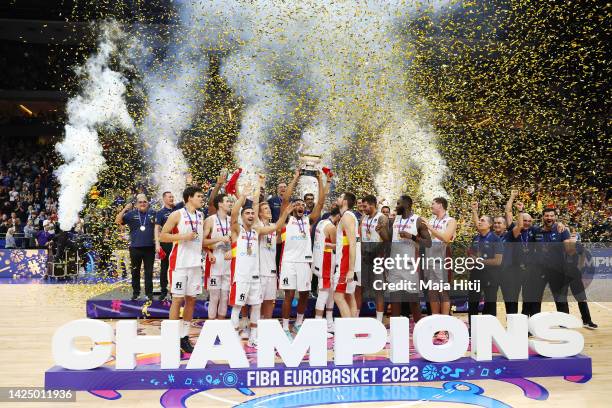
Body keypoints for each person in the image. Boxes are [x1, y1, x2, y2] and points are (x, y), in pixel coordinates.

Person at [229, 176, 291, 347]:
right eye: (247, 213)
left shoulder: (257, 232)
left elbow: (276, 227)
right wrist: (243, 197)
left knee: (256, 306)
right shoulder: (237, 230)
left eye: (251, 213)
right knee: (237, 306)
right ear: (242, 217)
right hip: (241, 277)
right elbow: (234, 214)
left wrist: (285, 213)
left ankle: (254, 337)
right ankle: (234, 337)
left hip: (255, 277)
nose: (250, 215)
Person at [279, 169, 328, 338]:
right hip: (289, 262)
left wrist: (320, 179)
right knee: (289, 294)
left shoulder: (308, 220)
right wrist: (296, 176)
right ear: (292, 208)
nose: (300, 206)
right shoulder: (287, 219)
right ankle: (285, 327)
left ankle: (298, 323)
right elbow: (286, 198)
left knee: (305, 294)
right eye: (297, 204)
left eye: (302, 204)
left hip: (305, 263)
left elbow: (321, 203)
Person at [159, 186, 205, 354]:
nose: (202, 199)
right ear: (189, 198)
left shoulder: (200, 215)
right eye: (199, 196)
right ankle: (172, 339)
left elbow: (200, 240)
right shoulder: (177, 214)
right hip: (179, 263)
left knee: (191, 300)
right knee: (177, 300)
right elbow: (162, 235)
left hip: (195, 264)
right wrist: (183, 237)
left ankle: (184, 337)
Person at [387, 195, 431, 321]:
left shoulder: (418, 220)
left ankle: (419, 329)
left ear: (407, 205)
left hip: (409, 265)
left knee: (413, 300)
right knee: (394, 298)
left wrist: (411, 236)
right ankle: (394, 330)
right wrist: (381, 231)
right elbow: (389, 239)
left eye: (398, 203)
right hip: (394, 264)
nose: (396, 206)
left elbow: (428, 243)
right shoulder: (396, 219)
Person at [425, 197, 456, 341]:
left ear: (441, 205)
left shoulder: (450, 221)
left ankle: (444, 327)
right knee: (432, 292)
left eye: (433, 203)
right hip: (430, 259)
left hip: (443, 259)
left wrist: (430, 229)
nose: (431, 205)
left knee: (443, 292)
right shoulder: (431, 220)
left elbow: (446, 238)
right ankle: (435, 324)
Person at [115, 194, 156, 301]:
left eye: (144, 202)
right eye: (140, 202)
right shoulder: (131, 214)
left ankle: (149, 294)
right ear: (136, 204)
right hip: (135, 248)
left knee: (149, 272)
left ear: (148, 203)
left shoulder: (153, 213)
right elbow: (117, 221)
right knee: (135, 272)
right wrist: (125, 209)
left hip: (150, 248)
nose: (142, 204)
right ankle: (136, 293)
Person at [469, 204, 503, 323]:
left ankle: (491, 328)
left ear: (489, 225)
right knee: (473, 302)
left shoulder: (496, 239)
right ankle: (472, 328)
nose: (479, 222)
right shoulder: (476, 238)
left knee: (490, 303)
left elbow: (498, 261)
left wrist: (479, 261)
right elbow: (472, 255)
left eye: (482, 220)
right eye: (479, 220)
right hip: (475, 274)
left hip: (491, 275)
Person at [360, 194, 391, 323]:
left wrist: (376, 253)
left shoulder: (382, 218)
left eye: (365, 206)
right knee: (360, 288)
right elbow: (361, 237)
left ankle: (379, 320)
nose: (363, 208)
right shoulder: (363, 218)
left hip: (378, 257)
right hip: (365, 257)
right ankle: (355, 317)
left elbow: (387, 240)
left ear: (372, 205)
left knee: (379, 290)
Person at [202, 193, 233, 320]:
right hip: (215, 261)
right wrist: (209, 252)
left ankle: (220, 326)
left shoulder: (233, 221)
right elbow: (202, 241)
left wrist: (233, 251)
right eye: (227, 201)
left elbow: (237, 242)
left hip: (228, 262)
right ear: (220, 204)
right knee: (214, 296)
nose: (230, 203)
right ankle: (211, 326)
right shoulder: (210, 220)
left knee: (225, 297)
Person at [332, 192, 363, 318]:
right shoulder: (348, 216)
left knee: (338, 296)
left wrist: (350, 270)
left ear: (344, 201)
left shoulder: (347, 217)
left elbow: (352, 244)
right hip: (348, 261)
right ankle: (353, 328)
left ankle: (348, 329)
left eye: (340, 196)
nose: (337, 198)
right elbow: (349, 242)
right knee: (350, 296)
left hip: (346, 263)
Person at [312, 206, 341, 336]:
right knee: (324, 293)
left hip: (320, 261)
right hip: (326, 263)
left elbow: (323, 242)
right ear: (338, 217)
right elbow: (337, 245)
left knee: (330, 293)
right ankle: (318, 324)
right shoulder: (332, 227)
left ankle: (329, 323)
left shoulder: (321, 222)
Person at [258, 201, 281, 319]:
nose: (269, 210)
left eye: (269, 208)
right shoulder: (257, 226)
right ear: (260, 214)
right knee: (258, 302)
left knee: (270, 301)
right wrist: (285, 214)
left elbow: (277, 241)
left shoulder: (273, 227)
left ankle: (266, 325)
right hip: (260, 271)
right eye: (265, 209)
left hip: (272, 271)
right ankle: (255, 327)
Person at [154, 191, 177, 301]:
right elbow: (157, 228)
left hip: (178, 242)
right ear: (164, 199)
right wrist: (157, 244)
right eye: (169, 197)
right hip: (166, 243)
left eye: (172, 196)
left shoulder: (178, 210)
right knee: (165, 267)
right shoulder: (160, 212)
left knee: (177, 268)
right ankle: (163, 291)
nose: (171, 198)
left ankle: (175, 290)